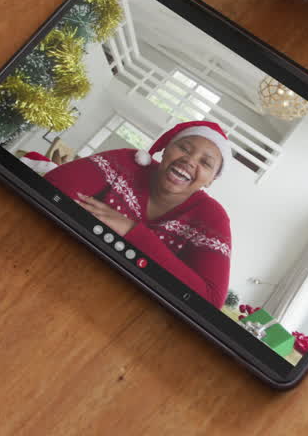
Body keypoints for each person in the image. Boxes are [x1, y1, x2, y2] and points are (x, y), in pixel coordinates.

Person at [41, 120, 233, 308]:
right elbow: (50, 188)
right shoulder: (126, 162)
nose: (190, 161)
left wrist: (132, 231)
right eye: (184, 148)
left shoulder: (212, 218)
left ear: (211, 180)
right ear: (166, 149)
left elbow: (209, 300)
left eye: (206, 163)